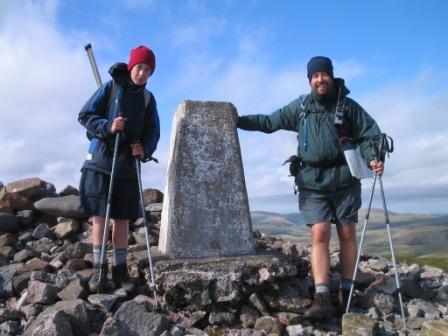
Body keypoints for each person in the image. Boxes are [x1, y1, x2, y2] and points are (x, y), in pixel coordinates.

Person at [237, 56, 384, 320]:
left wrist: (374, 156)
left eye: (323, 74)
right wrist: (237, 120)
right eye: (314, 76)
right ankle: (322, 296)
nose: (319, 79)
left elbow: (369, 133)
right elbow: (269, 122)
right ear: (309, 80)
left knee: (348, 233)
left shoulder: (347, 106)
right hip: (312, 182)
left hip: (345, 181)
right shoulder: (301, 107)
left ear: (331, 76)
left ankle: (347, 292)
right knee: (320, 233)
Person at [78, 45, 160, 292]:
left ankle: (120, 270)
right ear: (131, 66)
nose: (142, 73)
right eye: (140, 67)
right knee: (101, 216)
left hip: (127, 163)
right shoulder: (110, 87)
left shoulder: (148, 99)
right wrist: (108, 125)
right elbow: (85, 115)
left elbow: (152, 131)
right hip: (103, 159)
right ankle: (99, 270)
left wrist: (144, 149)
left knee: (123, 217)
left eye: (147, 69)